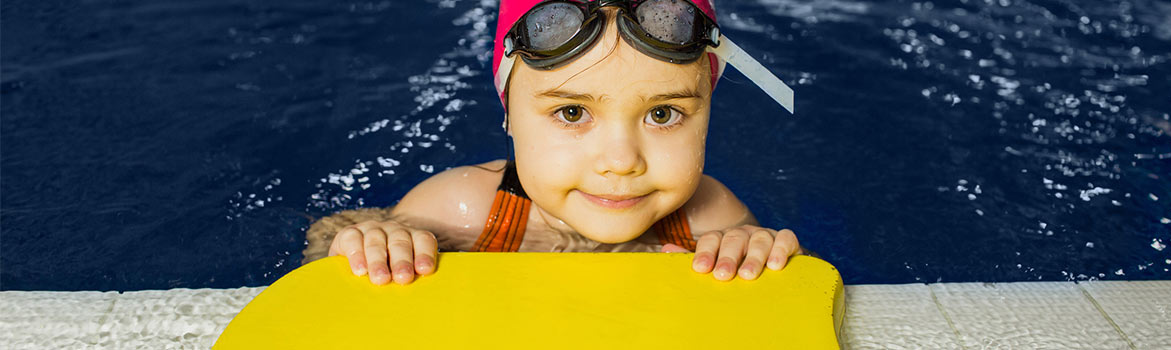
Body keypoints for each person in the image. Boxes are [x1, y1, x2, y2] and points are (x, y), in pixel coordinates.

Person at [308, 0, 810, 285]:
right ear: (509, 116)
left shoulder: (709, 217)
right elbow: (330, 237)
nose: (620, 162)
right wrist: (369, 243)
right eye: (572, 113)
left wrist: (756, 249)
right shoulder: (462, 206)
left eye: (663, 113)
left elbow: (782, 284)